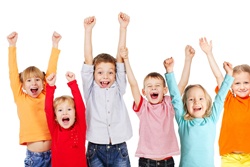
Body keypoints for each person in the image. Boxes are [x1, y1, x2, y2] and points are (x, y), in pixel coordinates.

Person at [120, 45, 195, 167]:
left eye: (157, 85)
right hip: (146, 161)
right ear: (144, 92)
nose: (153, 88)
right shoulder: (143, 107)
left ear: (165, 90)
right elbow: (133, 84)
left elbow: (182, 84)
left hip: (167, 161)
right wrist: (126, 60)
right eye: (149, 86)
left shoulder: (169, 104)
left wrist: (188, 59)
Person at [81, 12, 132, 167]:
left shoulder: (118, 86)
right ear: (93, 74)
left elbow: (120, 59)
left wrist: (123, 28)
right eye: (100, 72)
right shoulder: (90, 88)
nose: (105, 77)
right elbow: (88, 58)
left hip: (119, 147)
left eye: (110, 72)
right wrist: (88, 31)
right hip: (95, 148)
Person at [164, 56, 234, 167]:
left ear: (207, 103)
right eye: (191, 99)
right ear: (186, 105)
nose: (196, 102)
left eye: (201, 98)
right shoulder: (183, 123)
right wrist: (169, 72)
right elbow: (176, 98)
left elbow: (220, 98)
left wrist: (229, 75)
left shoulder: (211, 119)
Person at [7, 31, 61, 166]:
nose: (34, 83)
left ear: (43, 83)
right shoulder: (21, 98)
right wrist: (12, 46)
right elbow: (13, 73)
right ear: (23, 85)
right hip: (34, 158)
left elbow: (51, 72)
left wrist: (55, 45)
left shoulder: (46, 95)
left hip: (54, 153)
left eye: (37, 79)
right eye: (29, 80)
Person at [199, 37, 250, 166]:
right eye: (237, 83)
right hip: (230, 156)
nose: (242, 86)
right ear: (231, 86)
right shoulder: (228, 99)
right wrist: (209, 53)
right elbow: (219, 76)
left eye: (246, 82)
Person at [45, 72, 87, 167]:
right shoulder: (55, 130)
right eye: (60, 110)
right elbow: (48, 109)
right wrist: (50, 87)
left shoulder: (80, 127)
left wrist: (73, 84)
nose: (65, 113)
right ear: (55, 117)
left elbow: (80, 107)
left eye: (69, 109)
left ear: (75, 114)